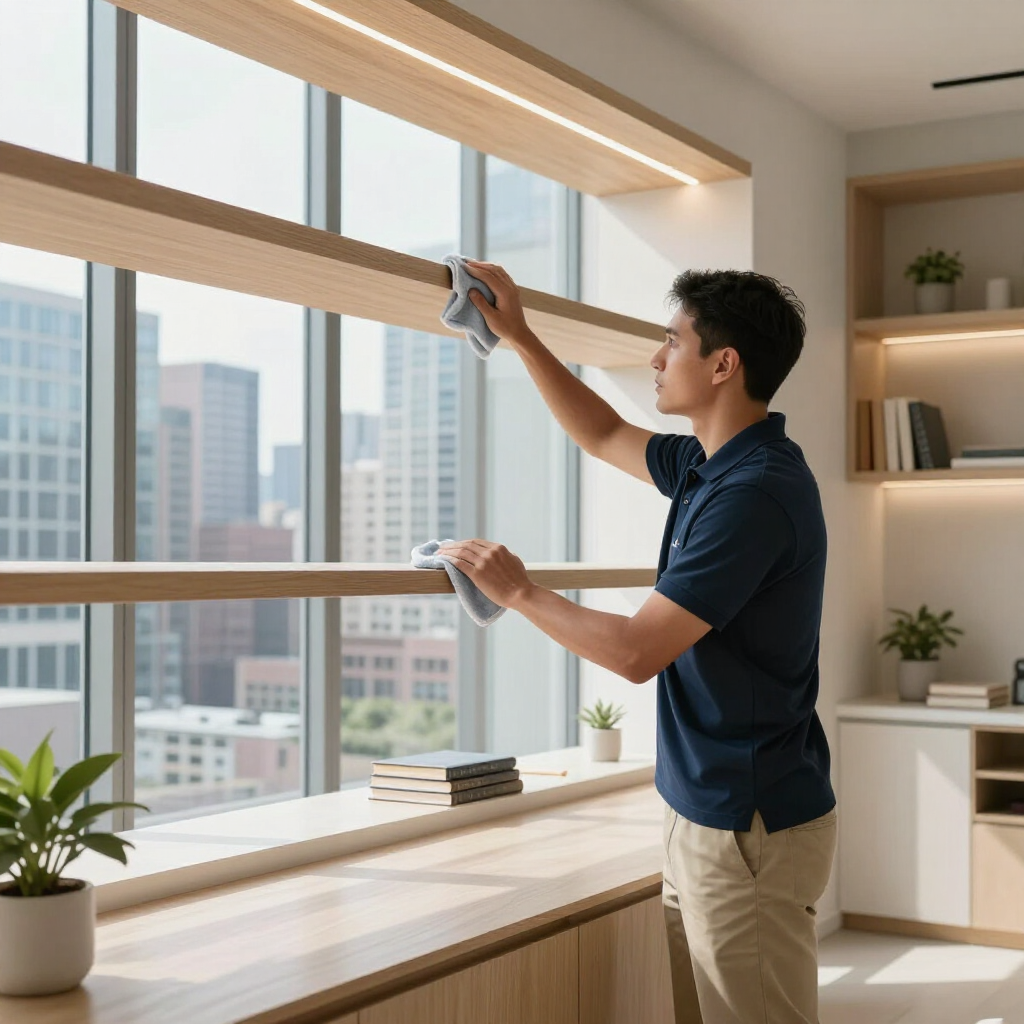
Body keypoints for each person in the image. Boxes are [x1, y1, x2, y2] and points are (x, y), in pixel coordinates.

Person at [440, 263, 837, 1024]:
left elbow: (635, 652)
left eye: (672, 342)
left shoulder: (754, 493)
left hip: (746, 824)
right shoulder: (708, 467)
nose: (656, 359)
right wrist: (519, 334)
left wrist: (519, 592)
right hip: (705, 810)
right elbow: (602, 434)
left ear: (723, 365)